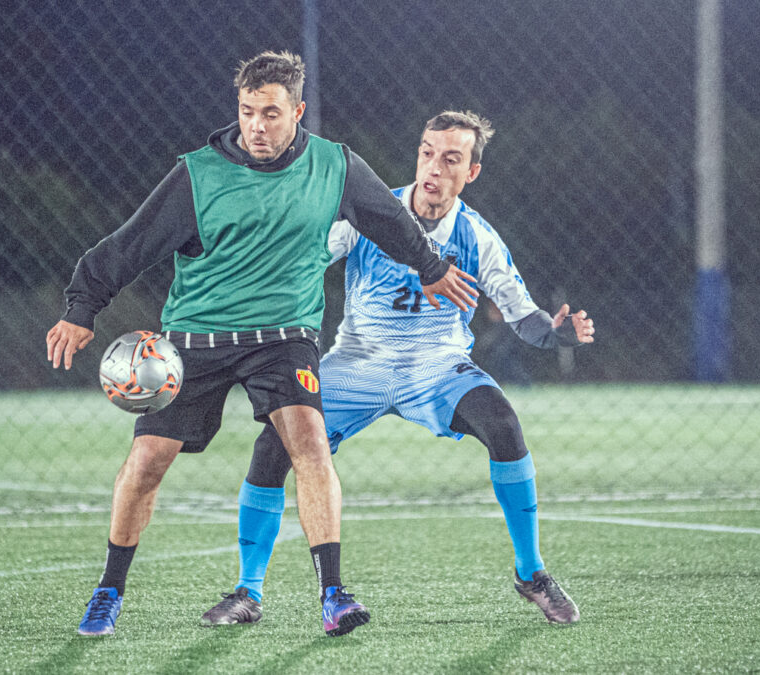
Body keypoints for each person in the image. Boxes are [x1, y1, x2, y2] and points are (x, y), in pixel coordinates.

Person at [45, 52, 479, 638]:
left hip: (283, 337)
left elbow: (390, 220)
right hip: (195, 337)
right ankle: (108, 592)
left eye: (271, 114)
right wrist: (81, 310)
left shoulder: (335, 166)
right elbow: (130, 245)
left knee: (311, 443)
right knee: (146, 461)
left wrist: (430, 267)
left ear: (297, 113)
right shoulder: (198, 174)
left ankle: (333, 594)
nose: (256, 126)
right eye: (247, 111)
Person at [200, 111, 594, 628]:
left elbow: (525, 318)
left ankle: (531, 573)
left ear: (471, 172)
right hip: (357, 364)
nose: (434, 167)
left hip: (436, 366)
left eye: (450, 159)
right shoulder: (369, 213)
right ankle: (248, 592)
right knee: (273, 446)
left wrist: (556, 333)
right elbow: (303, 258)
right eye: (427, 153)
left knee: (503, 425)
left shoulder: (477, 237)